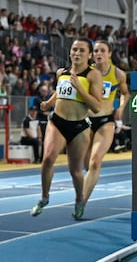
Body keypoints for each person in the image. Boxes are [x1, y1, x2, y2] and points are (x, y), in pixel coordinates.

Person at [30, 38, 102, 220]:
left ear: (90, 55)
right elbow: (60, 91)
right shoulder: (61, 72)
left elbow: (96, 107)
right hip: (58, 122)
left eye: (82, 50)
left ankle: (79, 200)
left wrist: (80, 87)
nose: (77, 53)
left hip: (79, 127)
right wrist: (49, 102)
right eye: (74, 50)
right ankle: (44, 197)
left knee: (75, 171)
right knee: (47, 159)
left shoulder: (93, 75)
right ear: (70, 52)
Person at [81, 40, 130, 215]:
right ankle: (90, 182)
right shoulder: (87, 72)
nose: (98, 53)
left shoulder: (118, 74)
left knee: (95, 162)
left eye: (102, 50)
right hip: (86, 121)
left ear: (109, 54)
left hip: (105, 121)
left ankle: (81, 203)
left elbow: (125, 93)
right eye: (95, 51)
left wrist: (121, 108)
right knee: (87, 164)